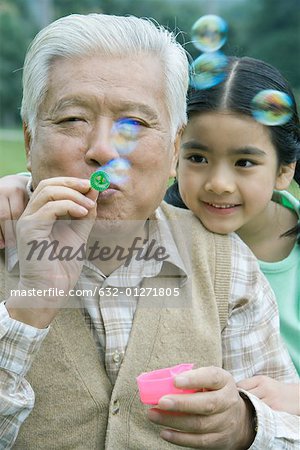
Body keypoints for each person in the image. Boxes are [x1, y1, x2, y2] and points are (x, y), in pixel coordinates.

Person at [0, 13, 299, 450]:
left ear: (175, 146)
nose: (102, 149)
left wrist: (246, 427)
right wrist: (30, 304)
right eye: (71, 119)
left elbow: (290, 424)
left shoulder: (225, 261)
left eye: (135, 124)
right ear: (29, 141)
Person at [165, 56, 300, 413]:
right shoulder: (162, 230)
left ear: (284, 170)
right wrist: (19, 189)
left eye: (244, 163)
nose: (219, 184)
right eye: (197, 158)